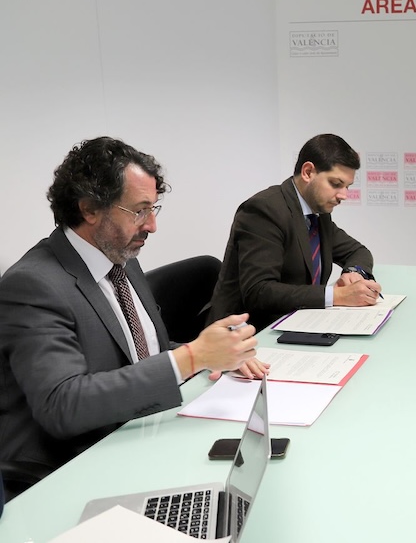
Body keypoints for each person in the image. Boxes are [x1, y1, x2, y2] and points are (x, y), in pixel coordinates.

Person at [0, 137, 260, 487]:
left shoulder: (120, 257)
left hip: (139, 435)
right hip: (70, 469)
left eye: (153, 209)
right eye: (139, 211)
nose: (151, 225)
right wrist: (190, 358)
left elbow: (144, 354)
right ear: (89, 209)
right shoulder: (33, 285)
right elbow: (63, 405)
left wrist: (213, 355)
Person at [210, 133, 380, 330]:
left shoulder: (317, 213)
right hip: (246, 332)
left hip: (297, 323)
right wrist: (337, 295)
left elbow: (357, 251)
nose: (344, 195)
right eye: (336, 184)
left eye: (347, 187)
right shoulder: (264, 210)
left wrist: (353, 272)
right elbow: (259, 292)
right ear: (308, 172)